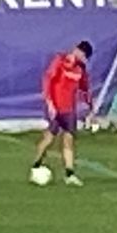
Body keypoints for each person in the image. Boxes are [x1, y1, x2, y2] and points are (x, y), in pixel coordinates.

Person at [32, 40, 94, 187]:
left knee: (69, 140)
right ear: (77, 50)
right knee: (48, 139)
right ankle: (36, 165)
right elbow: (48, 80)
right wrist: (49, 103)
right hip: (55, 108)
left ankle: (69, 174)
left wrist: (91, 107)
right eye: (82, 55)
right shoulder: (60, 61)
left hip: (69, 110)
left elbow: (85, 89)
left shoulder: (80, 69)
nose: (82, 58)